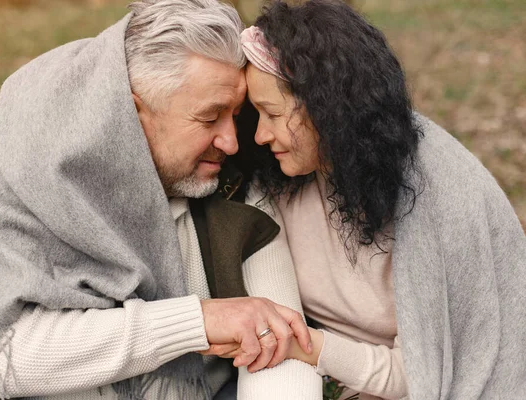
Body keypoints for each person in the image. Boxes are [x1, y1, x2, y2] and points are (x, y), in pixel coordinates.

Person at [0, 1, 325, 399]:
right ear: (131, 115)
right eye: (210, 118)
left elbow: (283, 350)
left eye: (236, 114)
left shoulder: (237, 184)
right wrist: (197, 321)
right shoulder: (17, 187)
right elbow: (6, 360)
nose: (231, 140)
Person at [213, 0, 526, 399]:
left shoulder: (434, 199)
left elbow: (421, 374)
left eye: (272, 114)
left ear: (326, 111)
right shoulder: (281, 170)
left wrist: (307, 347)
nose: (259, 134)